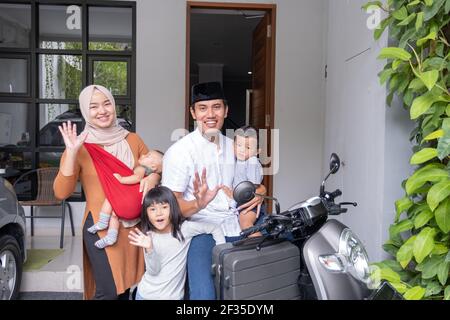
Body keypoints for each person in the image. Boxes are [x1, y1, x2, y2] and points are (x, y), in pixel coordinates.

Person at [53, 84, 160, 300]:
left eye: (106, 103)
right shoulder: (80, 145)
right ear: (85, 111)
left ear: (114, 105)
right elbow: (60, 192)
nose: (102, 111)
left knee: (125, 289)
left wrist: (153, 177)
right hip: (99, 227)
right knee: (108, 292)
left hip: (132, 225)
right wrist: (72, 153)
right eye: (93, 106)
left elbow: (155, 166)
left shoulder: (133, 140)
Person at [162, 81, 266, 299]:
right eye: (202, 108)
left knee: (254, 285)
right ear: (193, 113)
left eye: (216, 107)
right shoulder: (180, 152)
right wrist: (199, 203)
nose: (210, 114)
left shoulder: (235, 146)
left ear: (226, 110)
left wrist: (261, 190)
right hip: (201, 230)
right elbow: (170, 207)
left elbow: (253, 182)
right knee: (204, 295)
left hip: (236, 223)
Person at [129, 186, 225, 300]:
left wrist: (220, 256)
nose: (158, 213)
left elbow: (215, 228)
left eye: (164, 207)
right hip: (145, 295)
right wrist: (149, 249)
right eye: (152, 209)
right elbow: (154, 271)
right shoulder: (148, 236)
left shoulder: (184, 229)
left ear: (172, 209)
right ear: (147, 214)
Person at [87, 149, 164, 249]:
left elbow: (137, 178)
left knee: (110, 197)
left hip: (131, 200)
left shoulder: (142, 168)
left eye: (148, 156)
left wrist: (121, 179)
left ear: (153, 167)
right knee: (115, 215)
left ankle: (103, 221)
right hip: (138, 206)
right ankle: (111, 237)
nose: (144, 155)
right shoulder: (152, 177)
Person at [222, 125, 263, 235]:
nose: (242, 150)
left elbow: (253, 186)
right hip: (241, 201)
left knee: (246, 224)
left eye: (248, 148)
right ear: (233, 145)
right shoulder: (238, 160)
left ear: (257, 151)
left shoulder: (252, 161)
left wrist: (234, 195)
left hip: (250, 202)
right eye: (239, 145)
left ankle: (262, 250)